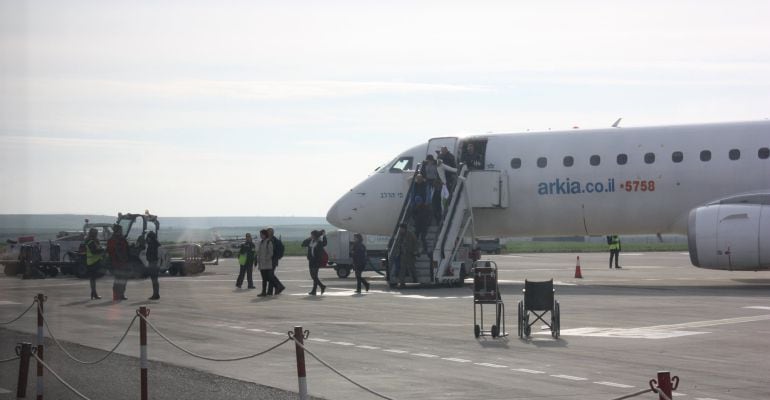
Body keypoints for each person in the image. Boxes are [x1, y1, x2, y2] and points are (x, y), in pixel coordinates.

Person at [256, 229, 282, 297]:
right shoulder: (261, 242)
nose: (261, 236)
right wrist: (258, 260)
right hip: (262, 263)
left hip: (268, 263)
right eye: (260, 234)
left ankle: (277, 287)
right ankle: (267, 291)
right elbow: (259, 252)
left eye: (262, 234)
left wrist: (265, 259)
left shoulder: (269, 242)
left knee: (268, 277)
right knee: (265, 278)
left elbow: (271, 253)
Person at [107, 224, 129, 301]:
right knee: (119, 279)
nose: (121, 231)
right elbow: (117, 251)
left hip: (118, 262)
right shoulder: (117, 239)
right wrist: (123, 259)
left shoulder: (115, 239)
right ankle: (118, 295)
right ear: (118, 230)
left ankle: (120, 295)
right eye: (120, 229)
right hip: (119, 263)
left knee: (121, 279)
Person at [302, 230, 327, 295]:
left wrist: (324, 236)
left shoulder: (319, 242)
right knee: (313, 276)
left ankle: (317, 289)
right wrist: (309, 238)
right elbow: (303, 244)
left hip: (317, 260)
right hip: (311, 260)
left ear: (315, 236)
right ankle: (319, 288)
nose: (311, 236)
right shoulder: (310, 242)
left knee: (314, 276)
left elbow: (325, 243)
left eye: (312, 235)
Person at [396, 223, 418, 289]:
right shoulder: (400, 235)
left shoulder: (411, 234)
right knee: (402, 269)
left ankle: (415, 279)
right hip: (403, 255)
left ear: (404, 228)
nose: (400, 230)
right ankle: (402, 283)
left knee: (412, 268)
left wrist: (415, 251)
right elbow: (398, 244)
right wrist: (398, 252)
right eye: (400, 228)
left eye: (401, 228)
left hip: (410, 254)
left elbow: (416, 243)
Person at [84, 228, 104, 300]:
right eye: (96, 233)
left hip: (91, 262)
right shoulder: (91, 242)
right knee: (93, 278)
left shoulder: (90, 241)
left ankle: (93, 293)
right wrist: (103, 250)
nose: (97, 234)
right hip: (94, 262)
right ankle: (94, 293)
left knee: (93, 279)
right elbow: (94, 251)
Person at [265, 228, 285, 295]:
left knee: (270, 275)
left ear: (272, 233)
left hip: (273, 260)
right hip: (267, 260)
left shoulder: (276, 241)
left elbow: (281, 249)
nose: (267, 233)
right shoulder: (266, 240)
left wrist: (277, 257)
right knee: (269, 275)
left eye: (268, 232)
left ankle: (279, 286)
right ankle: (273, 289)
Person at [145, 231, 161, 300]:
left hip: (153, 263)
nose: (147, 238)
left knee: (154, 280)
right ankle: (156, 294)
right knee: (155, 280)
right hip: (154, 263)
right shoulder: (156, 244)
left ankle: (156, 294)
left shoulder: (152, 244)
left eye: (148, 237)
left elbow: (152, 254)